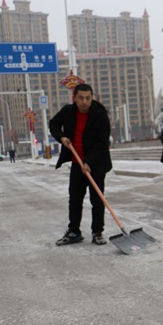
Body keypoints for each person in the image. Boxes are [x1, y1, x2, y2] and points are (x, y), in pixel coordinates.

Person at [49, 83, 112, 246]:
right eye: (81, 98)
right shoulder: (68, 111)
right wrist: (61, 137)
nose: (85, 102)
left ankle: (97, 232)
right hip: (77, 163)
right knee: (75, 199)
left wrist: (89, 162)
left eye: (88, 98)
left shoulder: (100, 114)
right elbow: (53, 124)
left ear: (92, 98)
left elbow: (102, 142)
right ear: (74, 98)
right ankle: (74, 231)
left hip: (96, 163)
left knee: (97, 199)